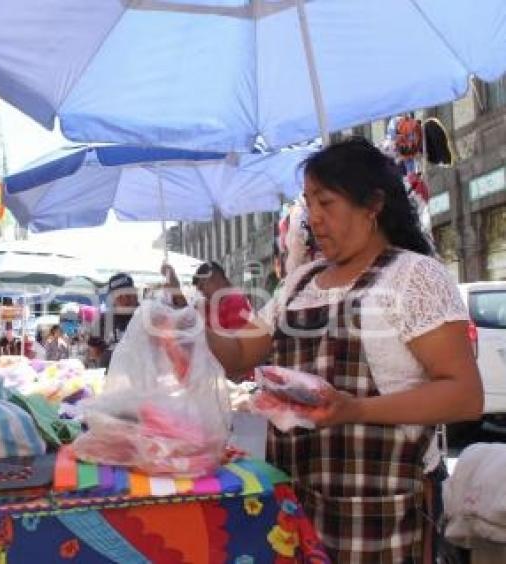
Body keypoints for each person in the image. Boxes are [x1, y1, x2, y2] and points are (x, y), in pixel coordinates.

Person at [204, 138, 483, 562]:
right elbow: (240, 357)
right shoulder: (300, 282)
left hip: (379, 515)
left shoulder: (413, 277)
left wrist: (355, 409)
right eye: (308, 202)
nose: (312, 218)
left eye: (326, 202)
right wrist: (193, 326)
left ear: (372, 205)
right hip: (294, 505)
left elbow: (465, 396)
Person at [163, 261, 252, 330]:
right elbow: (187, 316)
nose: (203, 293)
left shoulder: (235, 301)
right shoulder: (211, 304)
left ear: (216, 278)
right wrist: (176, 290)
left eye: (203, 286)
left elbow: (234, 345)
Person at [98, 273, 140, 370]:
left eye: (128, 294)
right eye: (119, 296)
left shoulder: (147, 315)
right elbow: (95, 349)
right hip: (111, 377)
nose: (125, 299)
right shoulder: (104, 319)